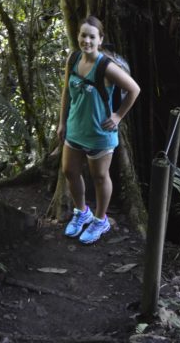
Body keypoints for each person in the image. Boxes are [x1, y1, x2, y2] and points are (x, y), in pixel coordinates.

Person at [56, 15, 140, 244]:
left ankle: (100, 219)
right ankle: (82, 212)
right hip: (75, 128)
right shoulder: (73, 59)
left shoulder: (106, 67)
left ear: (100, 39)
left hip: (100, 134)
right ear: (78, 36)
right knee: (70, 171)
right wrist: (62, 122)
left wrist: (118, 116)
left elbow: (134, 89)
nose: (87, 41)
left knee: (100, 177)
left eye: (92, 37)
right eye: (83, 35)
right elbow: (66, 92)